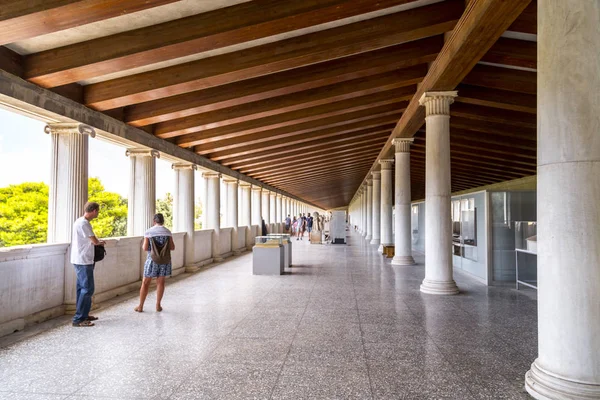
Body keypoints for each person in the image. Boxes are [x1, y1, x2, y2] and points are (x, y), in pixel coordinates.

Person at [71, 201, 105, 327]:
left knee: (81, 288)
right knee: (88, 288)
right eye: (98, 211)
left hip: (80, 258)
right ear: (94, 211)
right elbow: (95, 241)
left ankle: (83, 314)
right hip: (83, 259)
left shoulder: (79, 221)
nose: (98, 214)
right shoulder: (84, 223)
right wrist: (100, 242)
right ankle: (79, 318)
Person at [135, 213, 175, 313]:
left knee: (145, 283)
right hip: (164, 260)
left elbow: (145, 248)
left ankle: (140, 306)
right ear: (163, 221)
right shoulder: (167, 232)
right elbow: (172, 247)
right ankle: (158, 305)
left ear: (154, 221)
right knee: (160, 282)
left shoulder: (149, 232)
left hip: (152, 260)